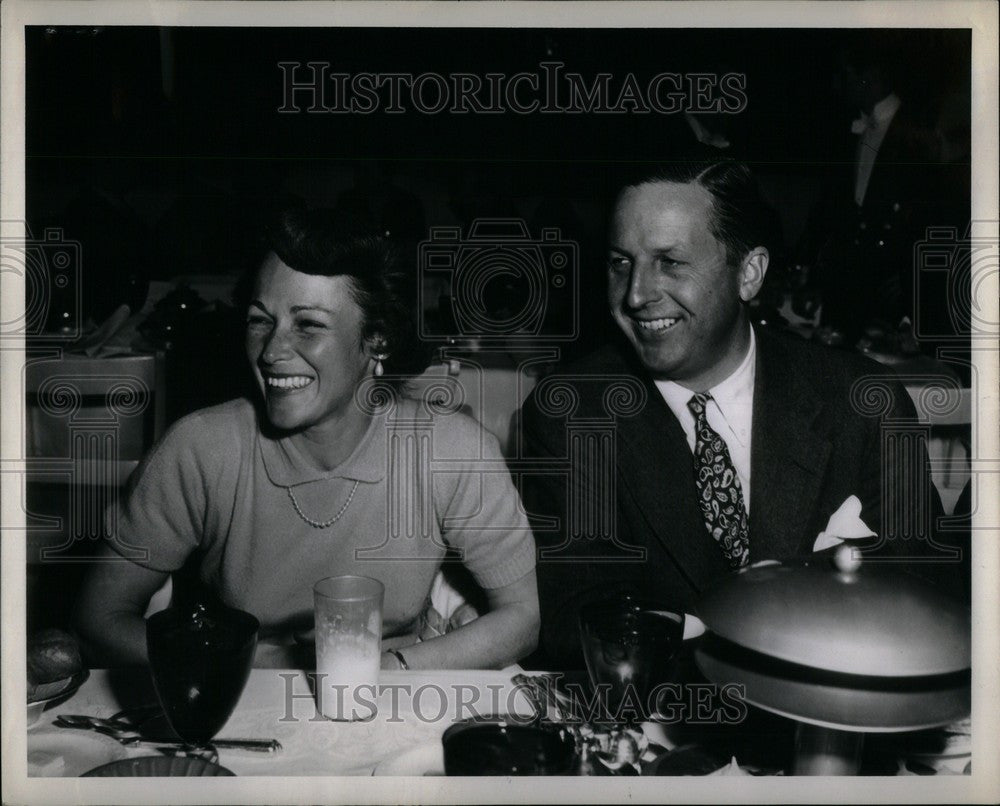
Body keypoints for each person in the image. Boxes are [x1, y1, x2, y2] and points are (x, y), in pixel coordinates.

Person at [519, 157, 960, 669]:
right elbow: (582, 625)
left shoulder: (863, 401)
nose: (636, 295)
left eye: (670, 262)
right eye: (622, 263)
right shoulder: (571, 414)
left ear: (749, 274)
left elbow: (925, 596)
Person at [75, 206, 539, 669]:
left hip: (401, 697)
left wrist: (387, 672)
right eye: (260, 320)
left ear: (377, 340)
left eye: (308, 324)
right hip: (242, 703)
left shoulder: (454, 451)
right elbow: (100, 619)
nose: (272, 352)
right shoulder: (200, 449)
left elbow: (522, 620)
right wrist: (230, 669)